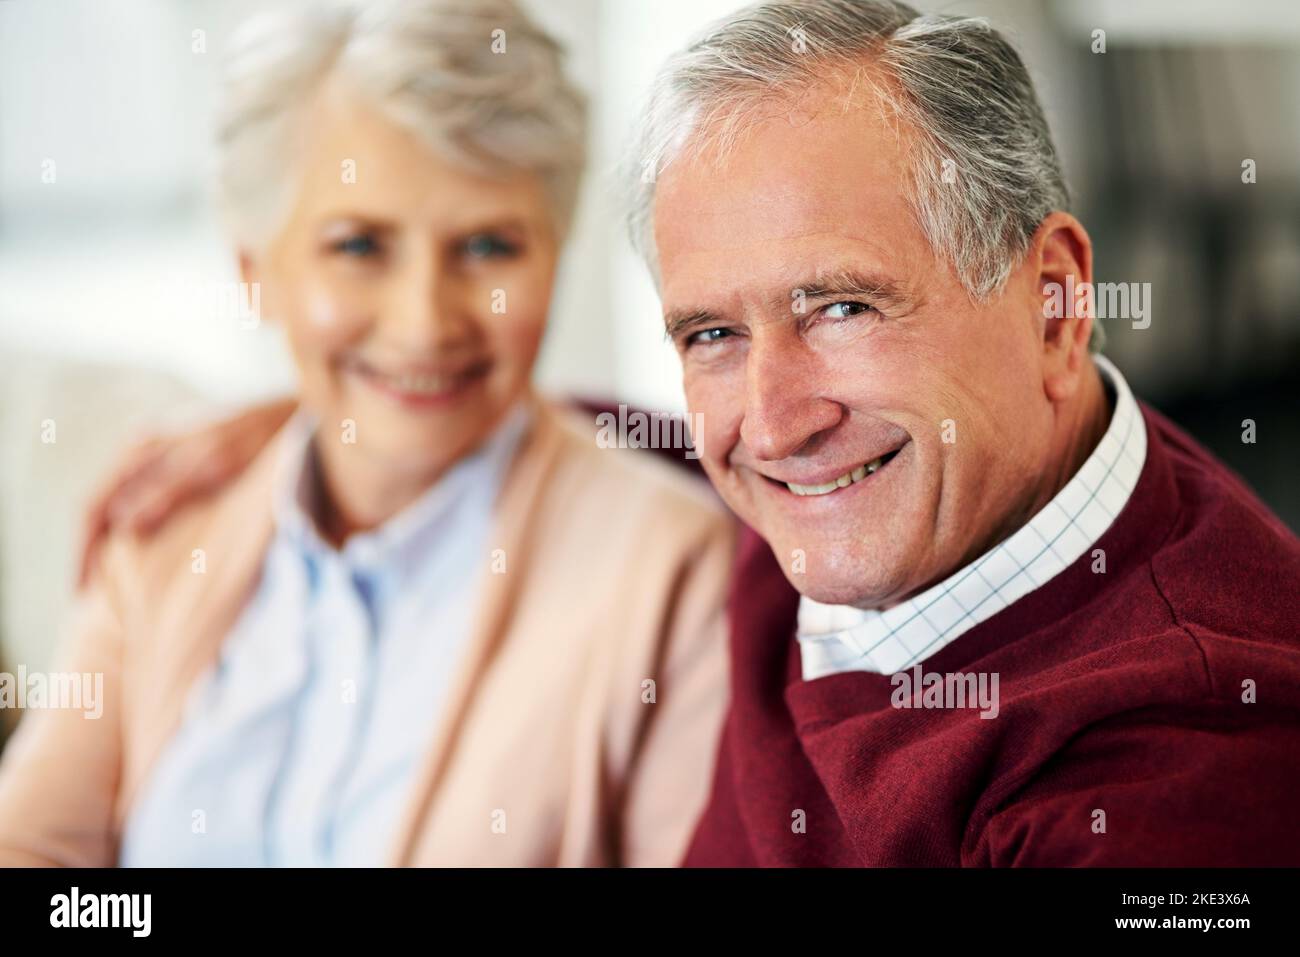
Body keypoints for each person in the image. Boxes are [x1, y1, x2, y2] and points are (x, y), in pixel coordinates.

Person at [76, 0, 1300, 867]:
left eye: (840, 307)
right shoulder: (857, 483)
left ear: (1052, 303)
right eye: (710, 334)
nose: (770, 424)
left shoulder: (1184, 766)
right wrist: (322, 408)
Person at [0, 0, 733, 867]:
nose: (424, 324)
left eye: (490, 246)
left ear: (560, 251)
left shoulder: (680, 572)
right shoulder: (167, 519)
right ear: (255, 271)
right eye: (358, 246)